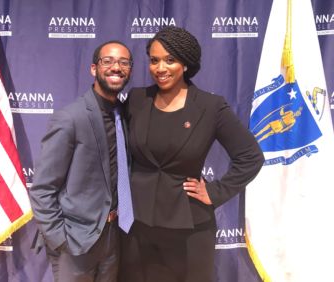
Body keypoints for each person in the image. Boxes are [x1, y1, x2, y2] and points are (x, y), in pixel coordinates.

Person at [119, 26, 264, 282]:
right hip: (137, 228)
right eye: (154, 60)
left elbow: (251, 156)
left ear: (186, 64)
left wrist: (216, 192)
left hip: (189, 228)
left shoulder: (210, 106)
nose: (160, 68)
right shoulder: (136, 99)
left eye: (170, 60)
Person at [29, 40, 133, 282]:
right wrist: (60, 238)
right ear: (94, 69)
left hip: (114, 235)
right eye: (108, 61)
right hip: (76, 241)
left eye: (124, 62)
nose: (116, 67)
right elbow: (43, 188)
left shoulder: (125, 115)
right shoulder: (70, 118)